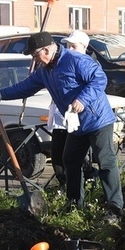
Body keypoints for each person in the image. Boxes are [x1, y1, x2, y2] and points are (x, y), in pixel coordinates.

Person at [0, 31, 123, 222]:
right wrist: (1, 94)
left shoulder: (75, 60)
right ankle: (74, 204)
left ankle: (115, 209)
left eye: (35, 55)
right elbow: (26, 86)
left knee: (105, 162)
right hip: (76, 123)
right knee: (70, 159)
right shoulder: (45, 71)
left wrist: (83, 98)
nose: (35, 60)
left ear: (46, 50)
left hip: (97, 119)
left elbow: (99, 79)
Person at [47, 30, 93, 185]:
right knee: (57, 157)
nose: (70, 50)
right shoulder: (61, 63)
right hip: (60, 118)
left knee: (74, 158)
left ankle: (88, 181)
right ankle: (63, 185)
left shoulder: (88, 65)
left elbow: (95, 87)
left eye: (74, 46)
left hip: (78, 120)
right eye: (68, 46)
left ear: (84, 47)